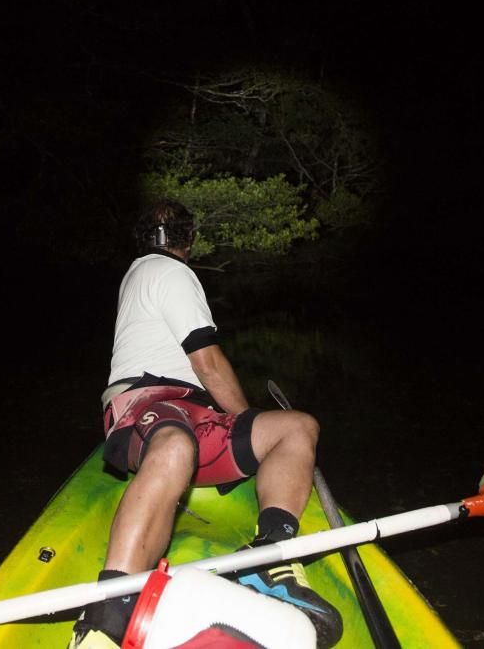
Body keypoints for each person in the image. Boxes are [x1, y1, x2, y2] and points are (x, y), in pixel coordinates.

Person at [69, 200, 342, 649]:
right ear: (188, 241)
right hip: (148, 402)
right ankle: (107, 614)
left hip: (193, 412)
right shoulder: (168, 271)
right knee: (177, 445)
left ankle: (268, 554)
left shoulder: (140, 274)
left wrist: (241, 433)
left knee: (296, 427)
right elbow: (208, 364)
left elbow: (201, 380)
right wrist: (245, 424)